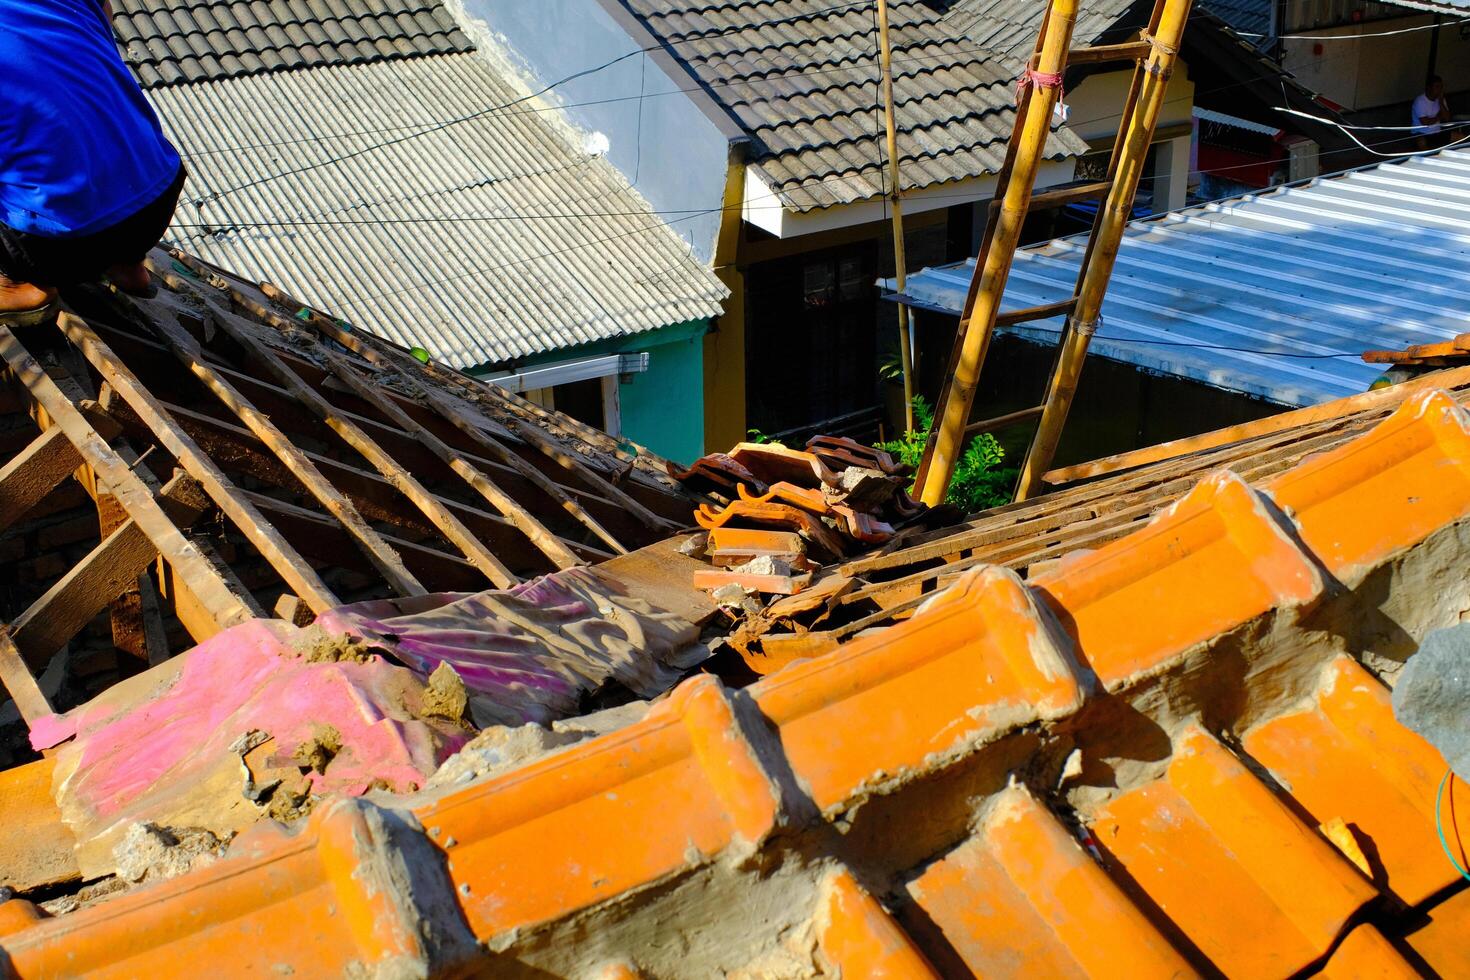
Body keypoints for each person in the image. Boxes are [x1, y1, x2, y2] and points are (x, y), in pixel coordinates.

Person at [0, 0, 185, 324]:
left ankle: (19, 285)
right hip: (158, 199)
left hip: (53, 245)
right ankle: (128, 265)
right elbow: (105, 10)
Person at [1411, 75, 1452, 149]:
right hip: (1421, 134)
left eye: (1441, 87)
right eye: (1437, 87)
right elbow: (1425, 122)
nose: (1440, 90)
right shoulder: (1420, 101)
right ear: (1429, 88)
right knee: (1422, 142)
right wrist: (1439, 116)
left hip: (1437, 132)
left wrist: (1441, 102)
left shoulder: (1441, 99)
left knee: (1458, 136)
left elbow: (1447, 118)